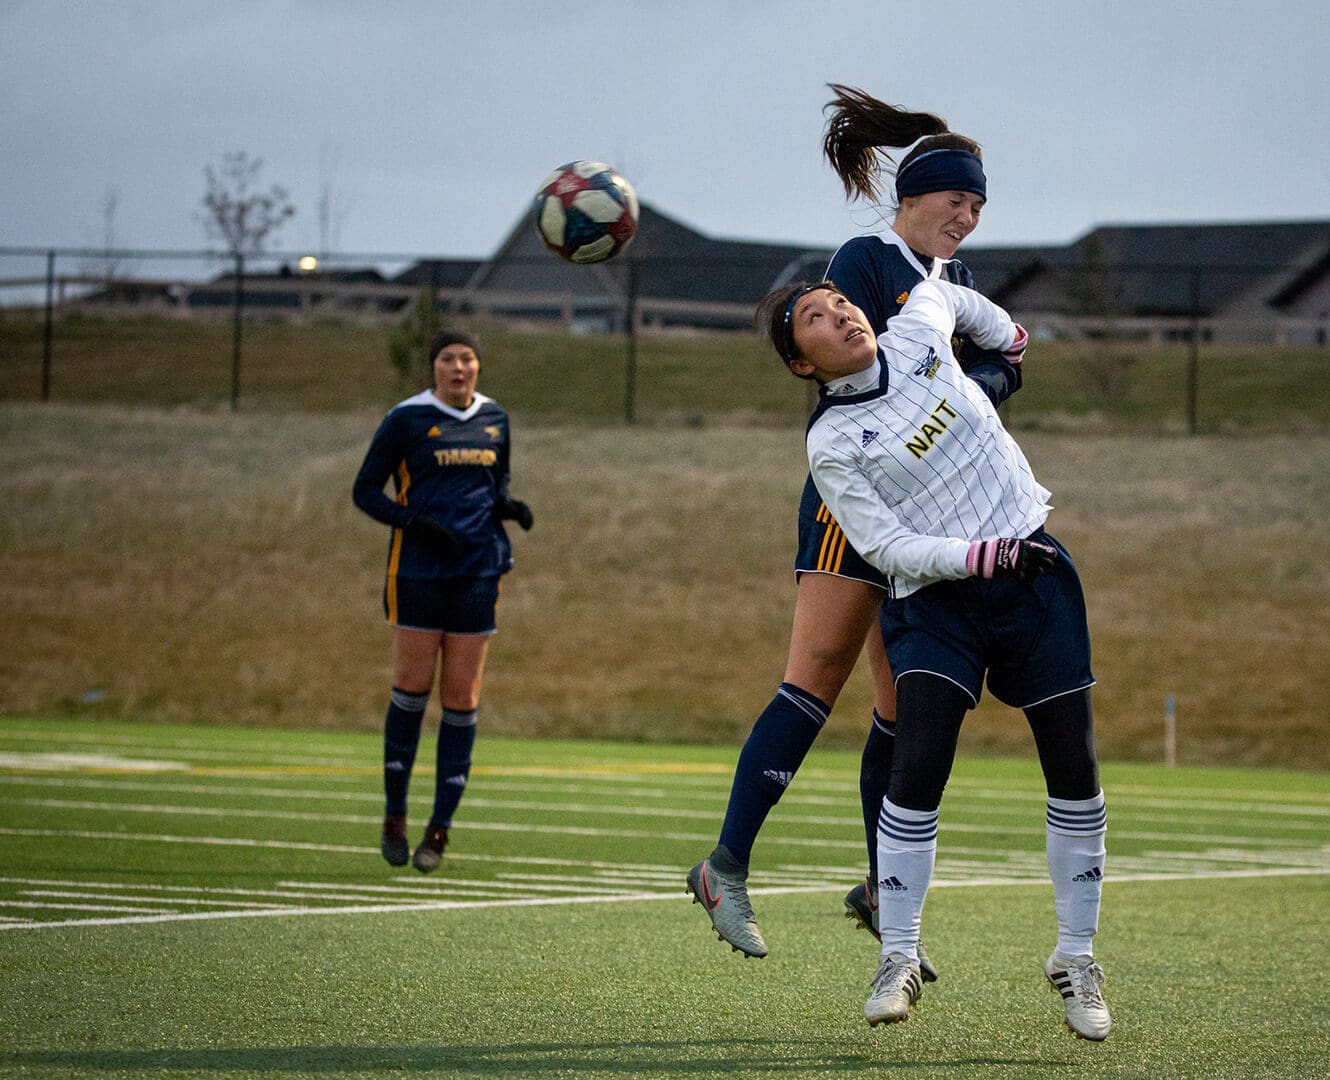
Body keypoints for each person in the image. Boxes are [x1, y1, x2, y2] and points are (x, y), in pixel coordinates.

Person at [687, 86, 1011, 969]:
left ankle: (879, 888)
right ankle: (725, 866)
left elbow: (992, 371)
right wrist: (979, 380)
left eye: (979, 205)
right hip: (854, 500)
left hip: (924, 510)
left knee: (907, 704)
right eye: (957, 199)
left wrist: (993, 380)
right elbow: (860, 385)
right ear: (914, 196)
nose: (968, 216)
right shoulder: (865, 258)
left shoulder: (957, 281)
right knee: (815, 678)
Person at [757, 277, 1109, 1040]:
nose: (839, 314)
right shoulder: (832, 442)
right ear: (800, 364)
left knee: (1074, 766)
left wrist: (1009, 337)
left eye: (840, 301)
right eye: (812, 318)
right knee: (917, 766)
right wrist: (980, 556)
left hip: (1034, 573)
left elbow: (949, 297)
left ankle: (1076, 957)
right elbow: (883, 547)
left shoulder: (918, 327)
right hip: (936, 600)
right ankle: (901, 955)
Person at [352, 331, 533, 874]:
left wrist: (509, 508)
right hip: (417, 571)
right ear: (433, 368)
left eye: (467, 359)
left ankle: (439, 830)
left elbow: (493, 486)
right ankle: (394, 815)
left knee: (462, 695)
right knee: (411, 689)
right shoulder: (406, 419)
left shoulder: (495, 418)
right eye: (448, 359)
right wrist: (415, 522)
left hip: (478, 569)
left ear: (478, 367)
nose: (458, 367)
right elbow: (365, 491)